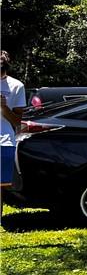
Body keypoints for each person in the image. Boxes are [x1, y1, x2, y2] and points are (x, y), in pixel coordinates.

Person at [1, 50, 27, 190]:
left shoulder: (16, 86)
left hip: (4, 142)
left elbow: (17, 122)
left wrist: (4, 108)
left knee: (0, 187)